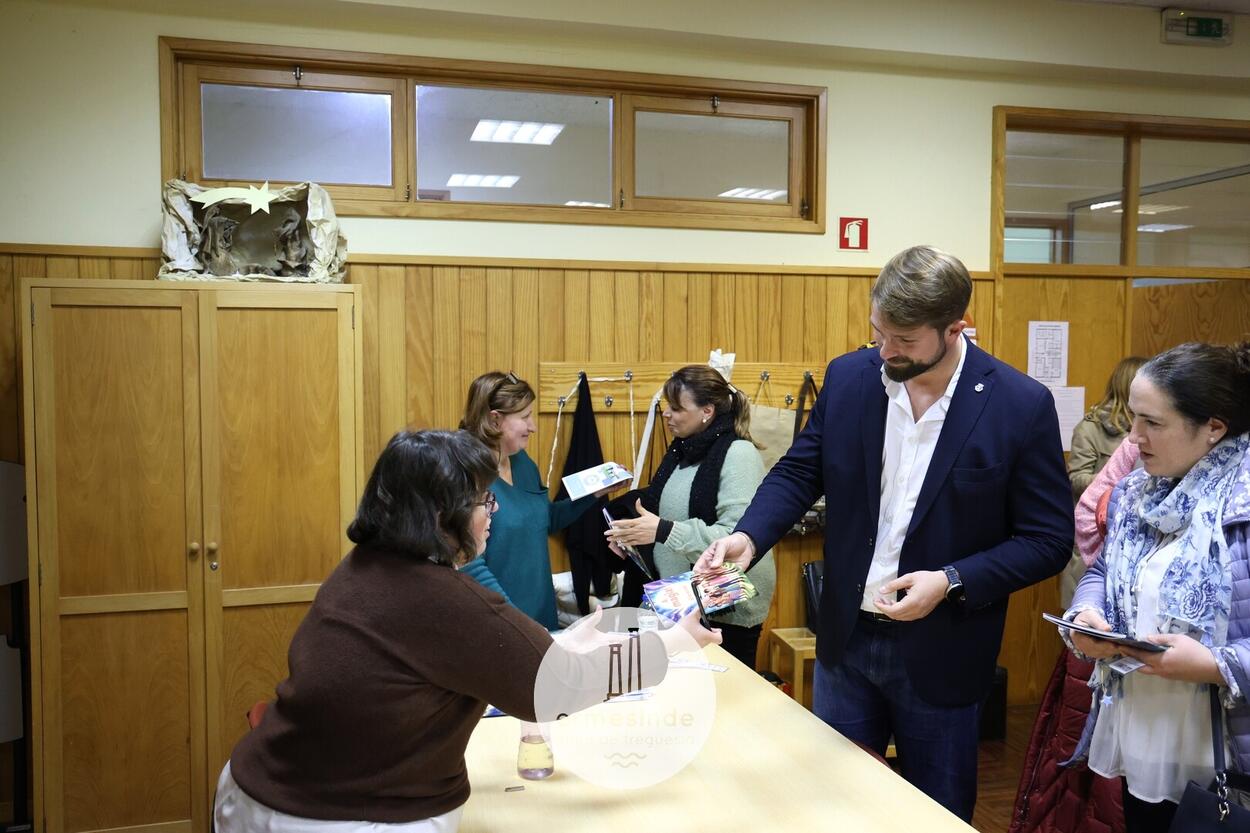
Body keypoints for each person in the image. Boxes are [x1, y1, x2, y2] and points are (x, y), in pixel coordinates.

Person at [697, 245, 1073, 820]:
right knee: (831, 807)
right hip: (845, 644)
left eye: (905, 342)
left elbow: (1048, 540)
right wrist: (750, 537)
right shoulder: (850, 378)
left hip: (944, 649)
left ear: (956, 329)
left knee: (934, 815)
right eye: (878, 333)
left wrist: (950, 580)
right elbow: (802, 469)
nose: (886, 351)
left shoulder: (1018, 404)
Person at [214, 429, 721, 832]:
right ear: (442, 516)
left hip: (268, 788)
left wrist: (566, 642)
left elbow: (461, 660)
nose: (490, 517)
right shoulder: (441, 599)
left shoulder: (367, 566)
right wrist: (674, 643)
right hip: (330, 816)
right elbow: (556, 690)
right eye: (484, 502)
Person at [1064, 341, 1250, 833]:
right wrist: (1086, 618)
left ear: (1214, 426)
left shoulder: (1243, 505)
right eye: (1134, 417)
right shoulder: (1134, 490)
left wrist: (1215, 665)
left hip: (1223, 748)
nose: (1134, 436)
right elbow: (1102, 573)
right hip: (1146, 732)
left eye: (1153, 423)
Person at [603, 365, 775, 669]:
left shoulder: (739, 454)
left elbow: (735, 537)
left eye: (676, 408)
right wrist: (631, 539)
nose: (666, 414)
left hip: (725, 610)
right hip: (679, 603)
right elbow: (661, 515)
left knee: (722, 707)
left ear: (706, 411)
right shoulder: (681, 453)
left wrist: (663, 531)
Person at [460, 371, 598, 629]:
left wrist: (594, 494)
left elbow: (544, 519)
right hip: (499, 623)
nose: (532, 426)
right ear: (495, 420)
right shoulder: (466, 476)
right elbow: (469, 565)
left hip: (542, 615)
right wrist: (514, 621)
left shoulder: (523, 464)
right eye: (525, 417)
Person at [1061, 356, 1147, 605]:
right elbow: (1074, 478)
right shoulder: (1090, 428)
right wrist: (1116, 480)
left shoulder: (1155, 432)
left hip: (1132, 547)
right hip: (1094, 542)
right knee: (1086, 627)